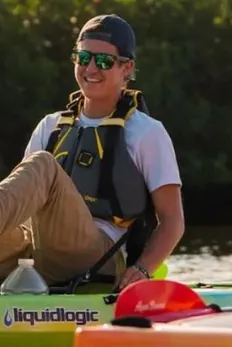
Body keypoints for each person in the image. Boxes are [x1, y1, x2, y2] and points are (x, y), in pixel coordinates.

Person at [0, 14, 184, 290]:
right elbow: (18, 200)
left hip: (98, 257)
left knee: (43, 165)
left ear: (127, 68)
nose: (91, 68)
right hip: (36, 251)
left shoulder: (147, 133)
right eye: (83, 58)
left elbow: (172, 220)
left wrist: (142, 269)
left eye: (104, 61)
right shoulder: (49, 126)